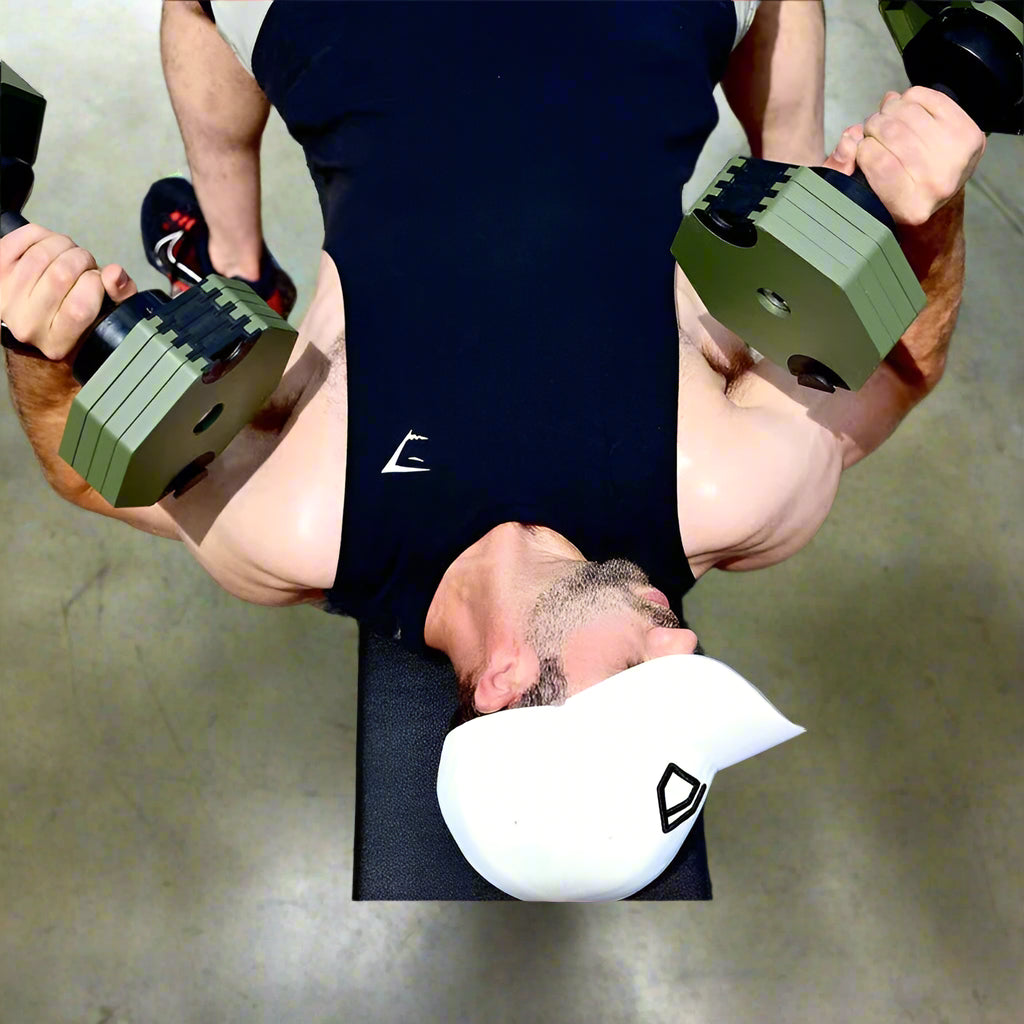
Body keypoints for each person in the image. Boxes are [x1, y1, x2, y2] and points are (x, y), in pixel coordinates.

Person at [0, 1, 984, 738]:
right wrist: (927, 215)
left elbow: (80, 464)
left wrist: (35, 342)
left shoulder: (304, 525)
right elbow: (900, 366)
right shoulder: (722, 494)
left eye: (649, 684)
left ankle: (235, 265)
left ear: (507, 681)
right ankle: (794, 175)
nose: (686, 643)